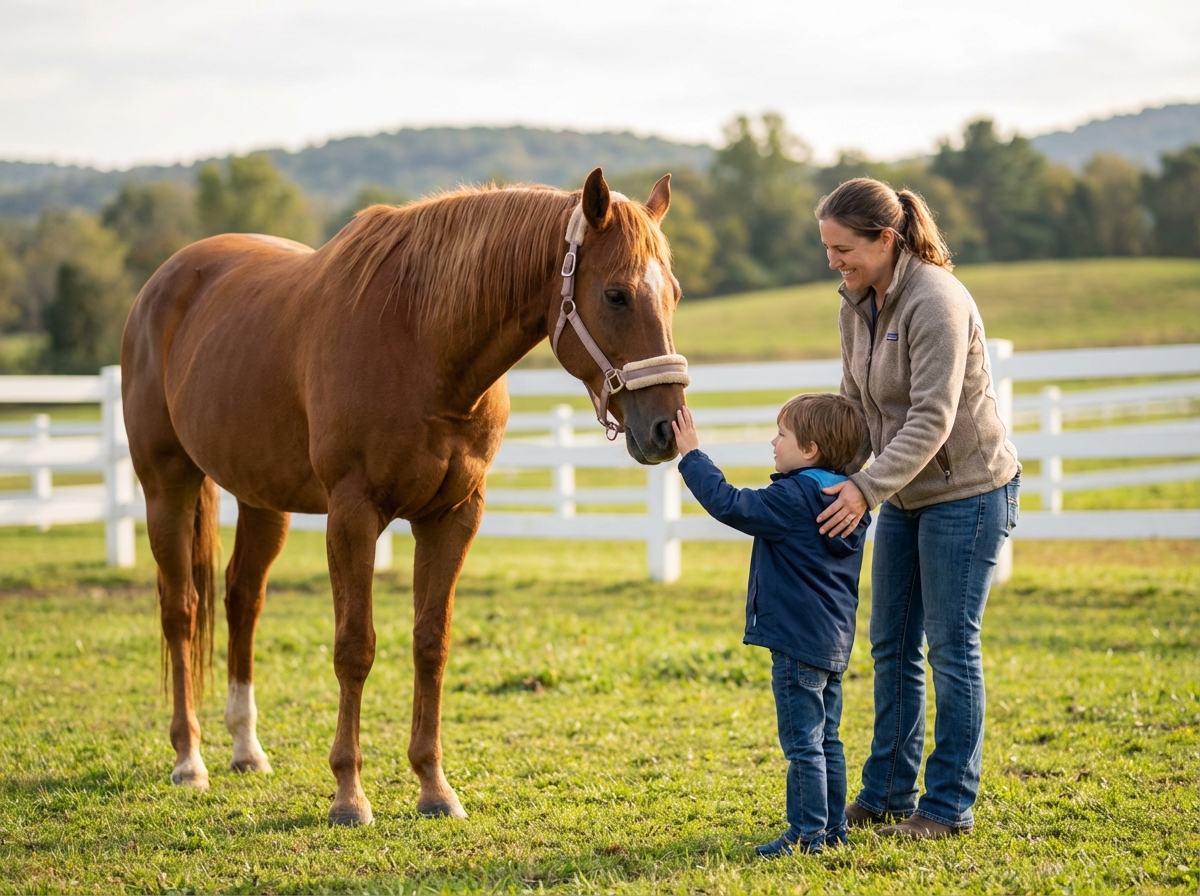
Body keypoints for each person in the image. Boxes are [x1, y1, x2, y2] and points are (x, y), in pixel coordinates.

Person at [813, 178, 1020, 839]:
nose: (833, 261)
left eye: (843, 248)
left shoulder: (935, 300)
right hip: (904, 493)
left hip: (968, 490)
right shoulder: (854, 304)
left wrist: (865, 490)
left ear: (886, 240)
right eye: (827, 248)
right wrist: (824, 477)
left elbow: (933, 416)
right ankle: (888, 794)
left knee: (951, 648)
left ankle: (947, 806)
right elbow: (855, 407)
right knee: (890, 644)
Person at [671, 394, 871, 856]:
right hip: (833, 642)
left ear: (811, 450)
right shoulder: (845, 501)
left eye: (782, 435)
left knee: (803, 744)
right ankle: (833, 828)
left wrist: (692, 455)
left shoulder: (793, 497)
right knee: (828, 740)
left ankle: (806, 835)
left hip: (795, 641)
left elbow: (731, 504)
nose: (773, 442)